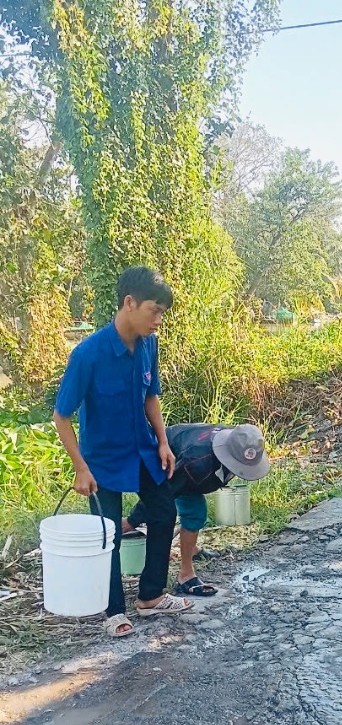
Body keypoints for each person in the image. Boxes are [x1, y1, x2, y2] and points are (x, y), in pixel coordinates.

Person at [53, 266, 194, 637]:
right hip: (102, 460)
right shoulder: (88, 354)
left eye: (163, 312)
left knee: (164, 512)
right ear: (129, 303)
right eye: (154, 310)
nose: (158, 320)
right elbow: (61, 416)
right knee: (109, 534)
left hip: (144, 450)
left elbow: (152, 395)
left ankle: (150, 596)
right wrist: (80, 468)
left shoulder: (149, 344)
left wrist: (163, 442)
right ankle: (112, 610)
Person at [124, 423, 271, 597]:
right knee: (194, 513)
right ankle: (185, 575)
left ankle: (191, 548)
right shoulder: (195, 464)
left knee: (194, 511)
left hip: (184, 456)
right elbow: (163, 496)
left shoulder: (240, 440)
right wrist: (132, 521)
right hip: (161, 460)